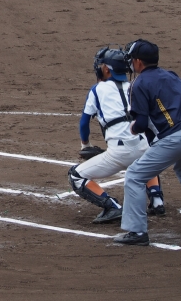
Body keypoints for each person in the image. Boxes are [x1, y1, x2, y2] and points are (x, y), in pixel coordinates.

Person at [114, 39, 181, 246]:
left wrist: (132, 128)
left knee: (134, 175)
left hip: (175, 139)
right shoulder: (172, 76)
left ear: (138, 61)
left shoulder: (139, 84)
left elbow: (141, 123)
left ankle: (137, 232)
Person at [69, 47, 164, 224]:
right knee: (144, 159)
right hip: (144, 146)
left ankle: (112, 206)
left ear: (106, 69)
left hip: (119, 153)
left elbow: (84, 123)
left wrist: (85, 145)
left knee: (76, 175)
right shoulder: (136, 86)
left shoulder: (97, 90)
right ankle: (157, 200)